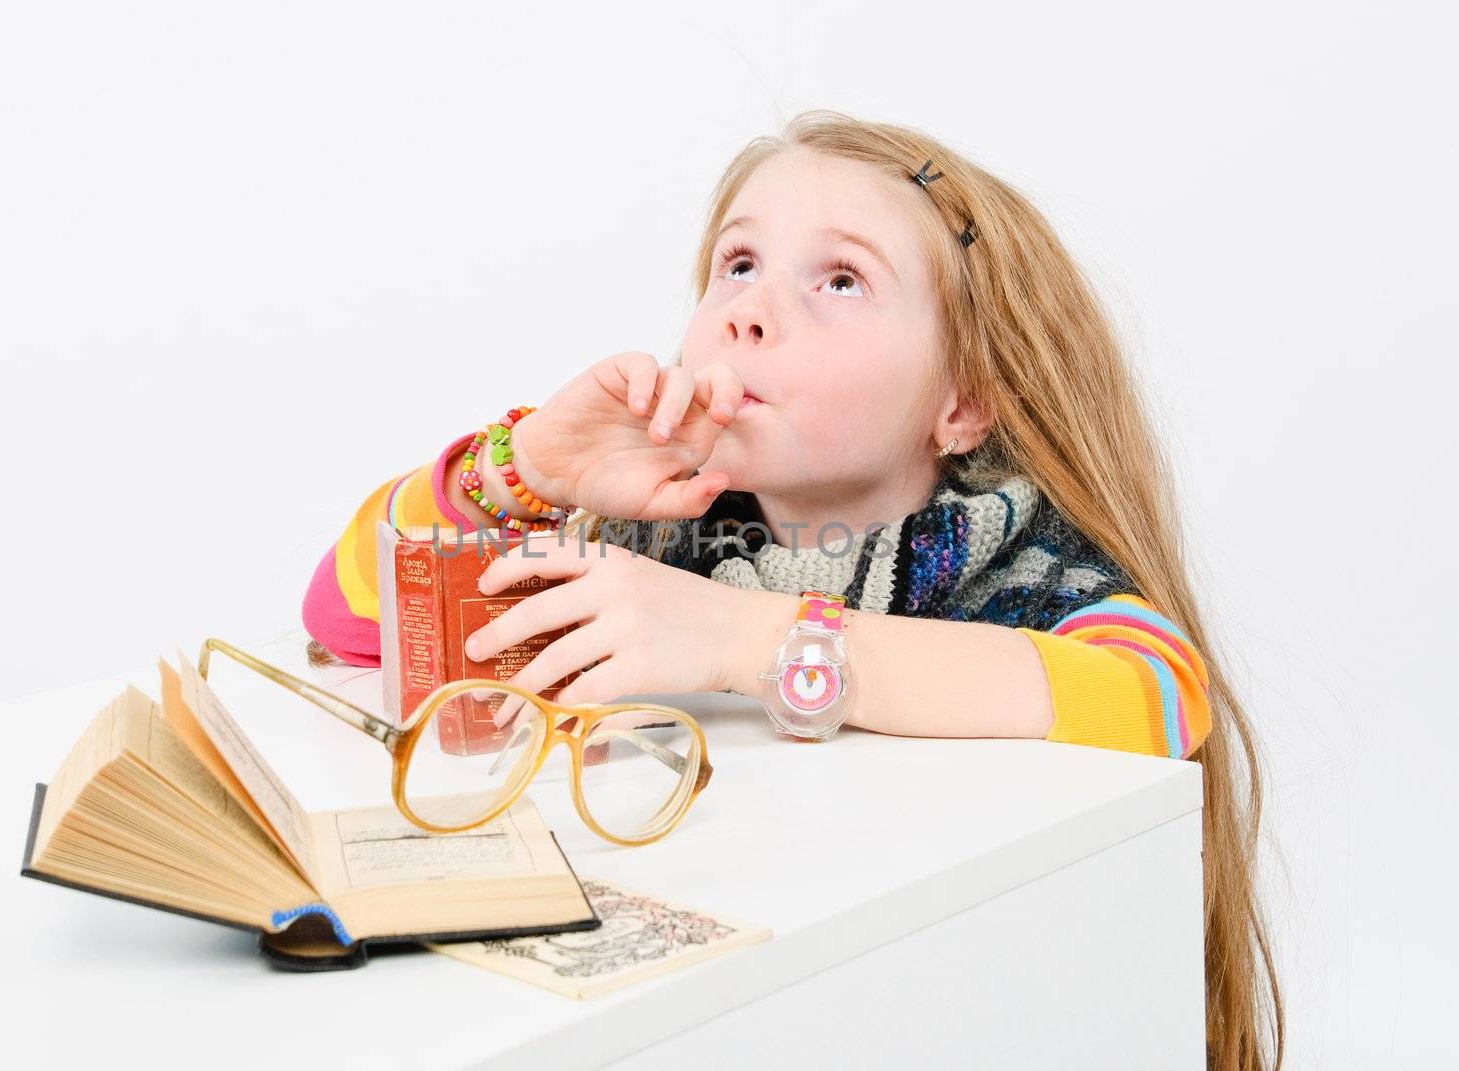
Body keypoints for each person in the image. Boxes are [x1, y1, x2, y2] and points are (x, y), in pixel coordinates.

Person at [301, 110, 1281, 1068]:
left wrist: (745, 639)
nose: (749, 309)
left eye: (843, 280)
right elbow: (344, 622)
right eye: (737, 265)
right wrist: (520, 475)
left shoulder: (1001, 555)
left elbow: (1155, 696)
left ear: (964, 402)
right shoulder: (650, 530)